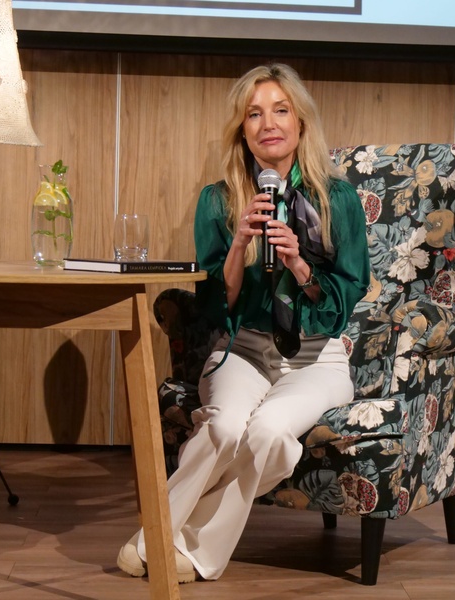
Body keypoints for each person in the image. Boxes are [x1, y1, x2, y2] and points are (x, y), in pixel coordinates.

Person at [116, 63, 370, 583]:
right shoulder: (219, 200)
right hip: (244, 347)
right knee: (227, 427)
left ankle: (164, 544)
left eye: (280, 111)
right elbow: (214, 307)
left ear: (300, 122)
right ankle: (177, 545)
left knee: (270, 433)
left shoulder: (337, 199)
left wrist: (298, 263)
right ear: (242, 129)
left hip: (315, 356)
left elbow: (344, 299)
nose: (268, 123)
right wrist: (238, 246)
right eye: (254, 114)